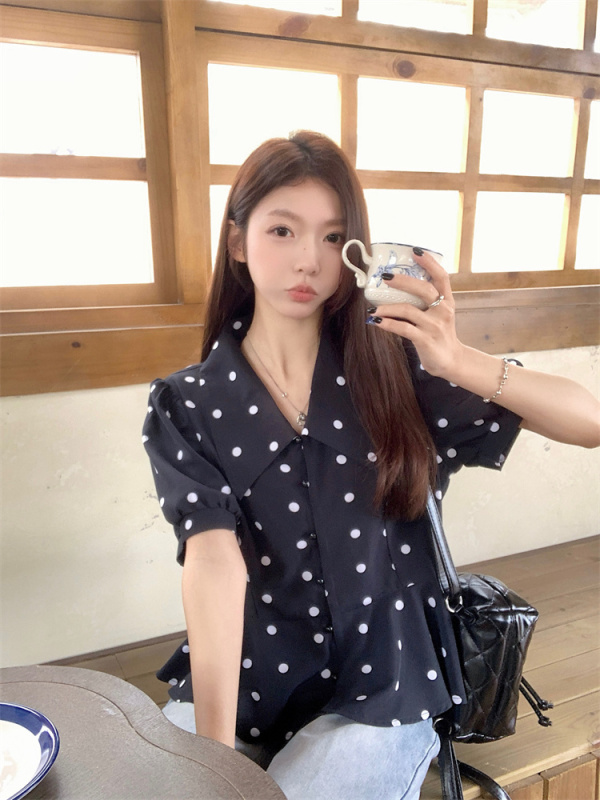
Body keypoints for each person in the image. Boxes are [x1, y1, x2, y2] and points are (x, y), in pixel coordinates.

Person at [142, 130, 599, 800]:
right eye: (282, 231)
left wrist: (458, 360)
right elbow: (213, 561)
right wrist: (214, 761)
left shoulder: (396, 370)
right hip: (246, 678)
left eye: (333, 238)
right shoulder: (188, 403)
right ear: (237, 242)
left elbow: (588, 421)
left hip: (386, 683)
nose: (308, 260)